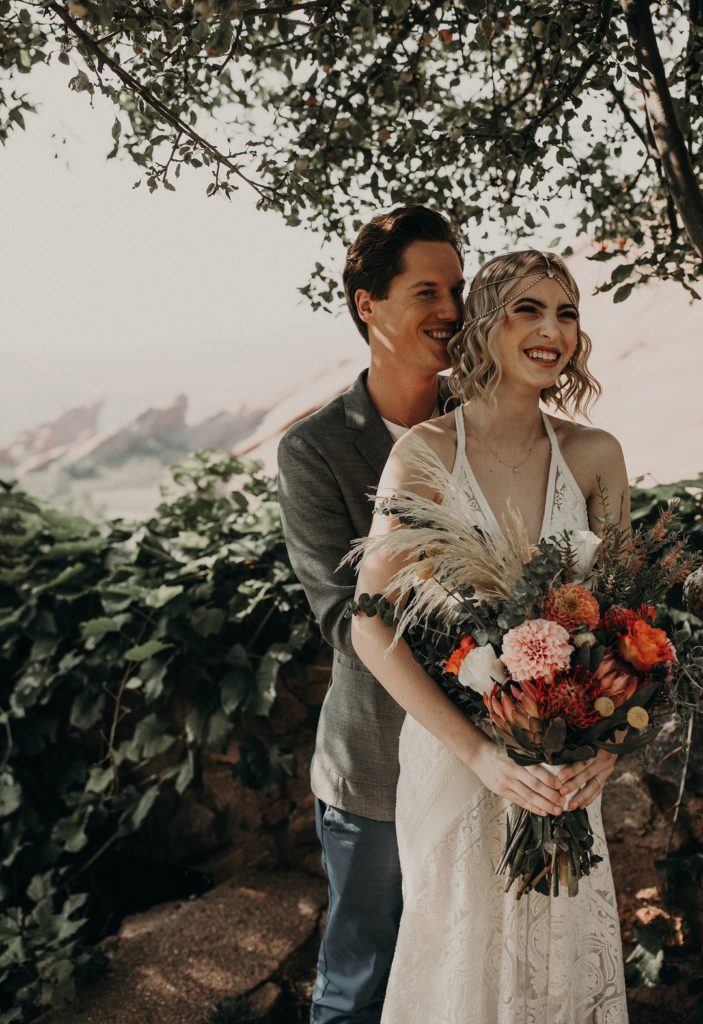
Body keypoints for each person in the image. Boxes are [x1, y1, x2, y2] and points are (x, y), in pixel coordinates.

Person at [351, 249, 629, 1024]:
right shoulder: (426, 455)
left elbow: (623, 629)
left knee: (561, 963)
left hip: (566, 768)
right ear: (484, 326)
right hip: (459, 761)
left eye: (566, 313)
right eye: (527, 310)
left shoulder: (595, 455)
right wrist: (478, 754)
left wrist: (604, 747)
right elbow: (369, 625)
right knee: (460, 969)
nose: (551, 330)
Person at [277, 206, 469, 1023]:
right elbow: (343, 618)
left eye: (458, 289)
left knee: (464, 968)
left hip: (491, 759)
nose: (452, 311)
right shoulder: (312, 449)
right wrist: (486, 644)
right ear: (368, 305)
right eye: (427, 290)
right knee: (361, 981)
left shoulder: (487, 424)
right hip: (377, 772)